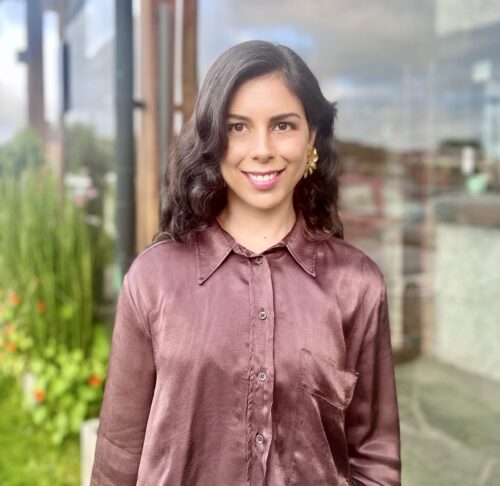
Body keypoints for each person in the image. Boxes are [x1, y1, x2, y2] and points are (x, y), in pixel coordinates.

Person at [91, 40, 401, 486]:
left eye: (283, 126)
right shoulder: (153, 279)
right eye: (237, 127)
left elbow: (375, 457)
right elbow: (119, 450)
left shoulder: (358, 284)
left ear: (312, 136)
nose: (261, 149)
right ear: (213, 140)